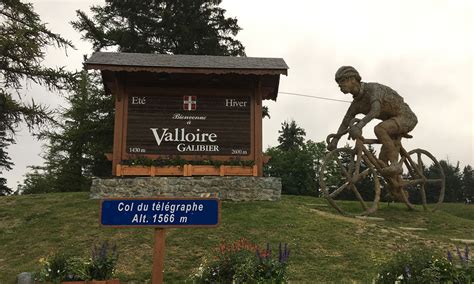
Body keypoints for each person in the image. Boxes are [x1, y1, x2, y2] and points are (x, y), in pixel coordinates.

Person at [327, 66, 418, 175]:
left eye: (342, 80)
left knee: (380, 129)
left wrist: (359, 126)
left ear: (353, 79)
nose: (339, 85)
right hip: (391, 122)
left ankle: (395, 165)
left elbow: (375, 110)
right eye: (338, 82)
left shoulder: (373, 89)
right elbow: (345, 122)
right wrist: (335, 140)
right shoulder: (356, 104)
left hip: (406, 117)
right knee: (382, 164)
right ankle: (396, 190)